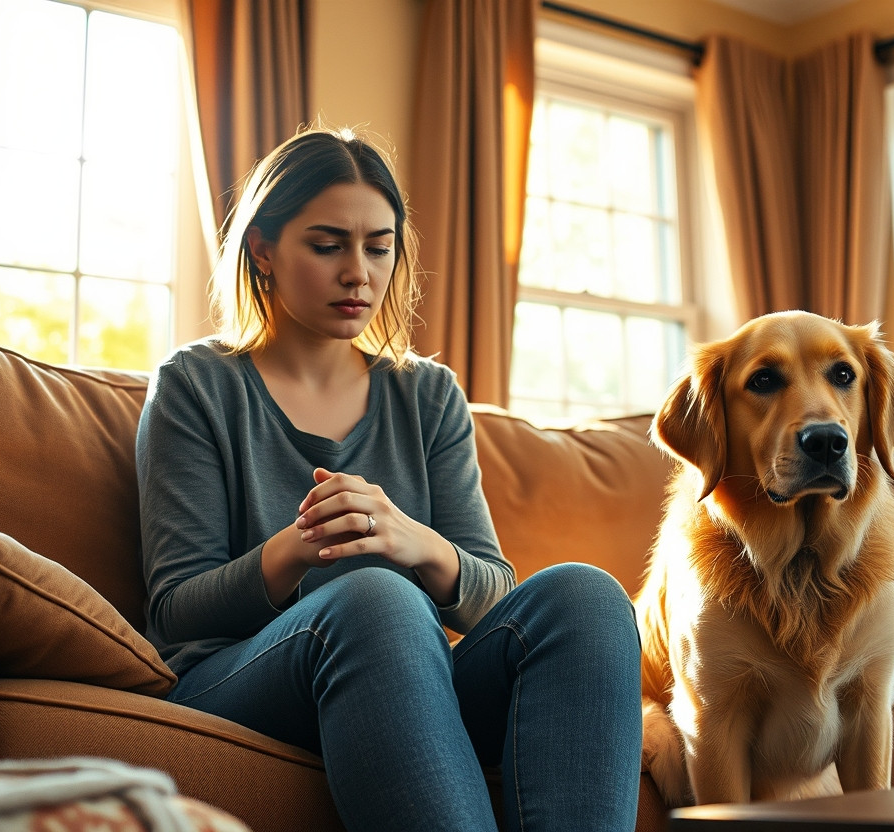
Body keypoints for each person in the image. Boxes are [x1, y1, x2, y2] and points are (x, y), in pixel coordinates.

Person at [136, 126, 643, 831]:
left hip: (404, 683)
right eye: (328, 245)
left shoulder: (429, 394)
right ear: (263, 250)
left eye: (378, 246)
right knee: (374, 598)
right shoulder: (196, 386)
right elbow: (173, 613)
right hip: (242, 678)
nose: (359, 273)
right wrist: (298, 546)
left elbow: (492, 590)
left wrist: (415, 542)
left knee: (586, 596)